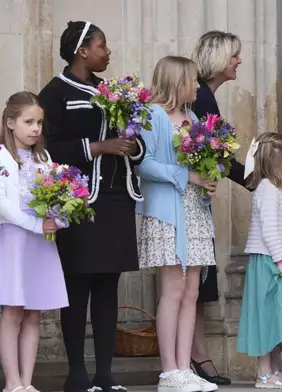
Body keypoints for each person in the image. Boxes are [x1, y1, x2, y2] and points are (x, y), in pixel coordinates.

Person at [39, 21, 145, 392]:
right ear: (83, 51)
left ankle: (104, 373)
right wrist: (99, 148)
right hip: (80, 204)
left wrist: (132, 146)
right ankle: (76, 374)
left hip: (117, 199)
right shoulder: (54, 93)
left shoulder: (109, 91)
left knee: (107, 286)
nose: (108, 51)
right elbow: (47, 149)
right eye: (102, 45)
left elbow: (133, 137)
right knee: (77, 285)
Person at [136, 55, 218, 392]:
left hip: (195, 211)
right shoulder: (154, 115)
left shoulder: (194, 116)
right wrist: (187, 175)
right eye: (193, 80)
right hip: (167, 212)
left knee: (192, 291)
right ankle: (168, 371)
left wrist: (208, 181)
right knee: (172, 290)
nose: (198, 87)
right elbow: (144, 164)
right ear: (176, 82)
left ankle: (185, 368)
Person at [187, 31, 245, 386]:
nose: (239, 61)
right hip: (190, 199)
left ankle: (198, 354)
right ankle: (197, 356)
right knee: (194, 282)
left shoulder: (206, 95)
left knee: (199, 283)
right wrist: (252, 177)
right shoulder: (202, 97)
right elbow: (215, 154)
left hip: (199, 199)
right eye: (235, 55)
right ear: (220, 58)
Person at [0, 92, 68, 392]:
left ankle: (28, 382)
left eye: (39, 122)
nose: (35, 128)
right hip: (15, 240)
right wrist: (36, 224)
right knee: (13, 310)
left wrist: (61, 216)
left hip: (41, 243)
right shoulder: (3, 157)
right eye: (28, 122)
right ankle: (12, 382)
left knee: (34, 311)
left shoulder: (43, 158)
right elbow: (5, 207)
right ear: (10, 122)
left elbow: (59, 196)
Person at [237, 132, 282, 389]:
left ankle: (274, 370)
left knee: (278, 317)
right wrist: (279, 261)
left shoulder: (277, 189)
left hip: (278, 259)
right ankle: (264, 373)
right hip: (269, 262)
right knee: (267, 316)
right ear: (275, 160)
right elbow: (268, 228)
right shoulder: (266, 189)